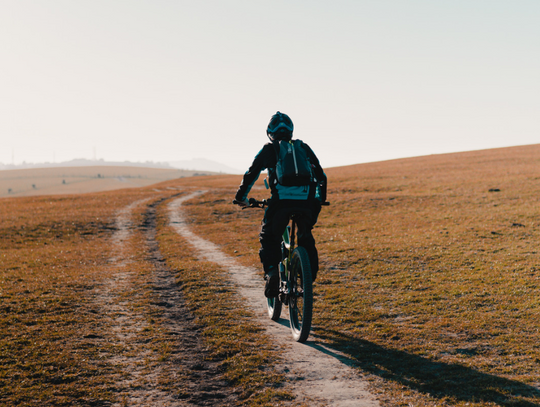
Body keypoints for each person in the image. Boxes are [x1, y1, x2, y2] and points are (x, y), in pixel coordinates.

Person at [234, 111, 327, 298]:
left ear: (270, 132)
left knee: (268, 238)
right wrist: (319, 199)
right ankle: (308, 275)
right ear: (291, 130)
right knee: (305, 236)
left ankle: (272, 273)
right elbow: (321, 177)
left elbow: (251, 174)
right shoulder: (304, 148)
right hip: (307, 205)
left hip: (280, 204)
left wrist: (241, 197)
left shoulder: (270, 149)